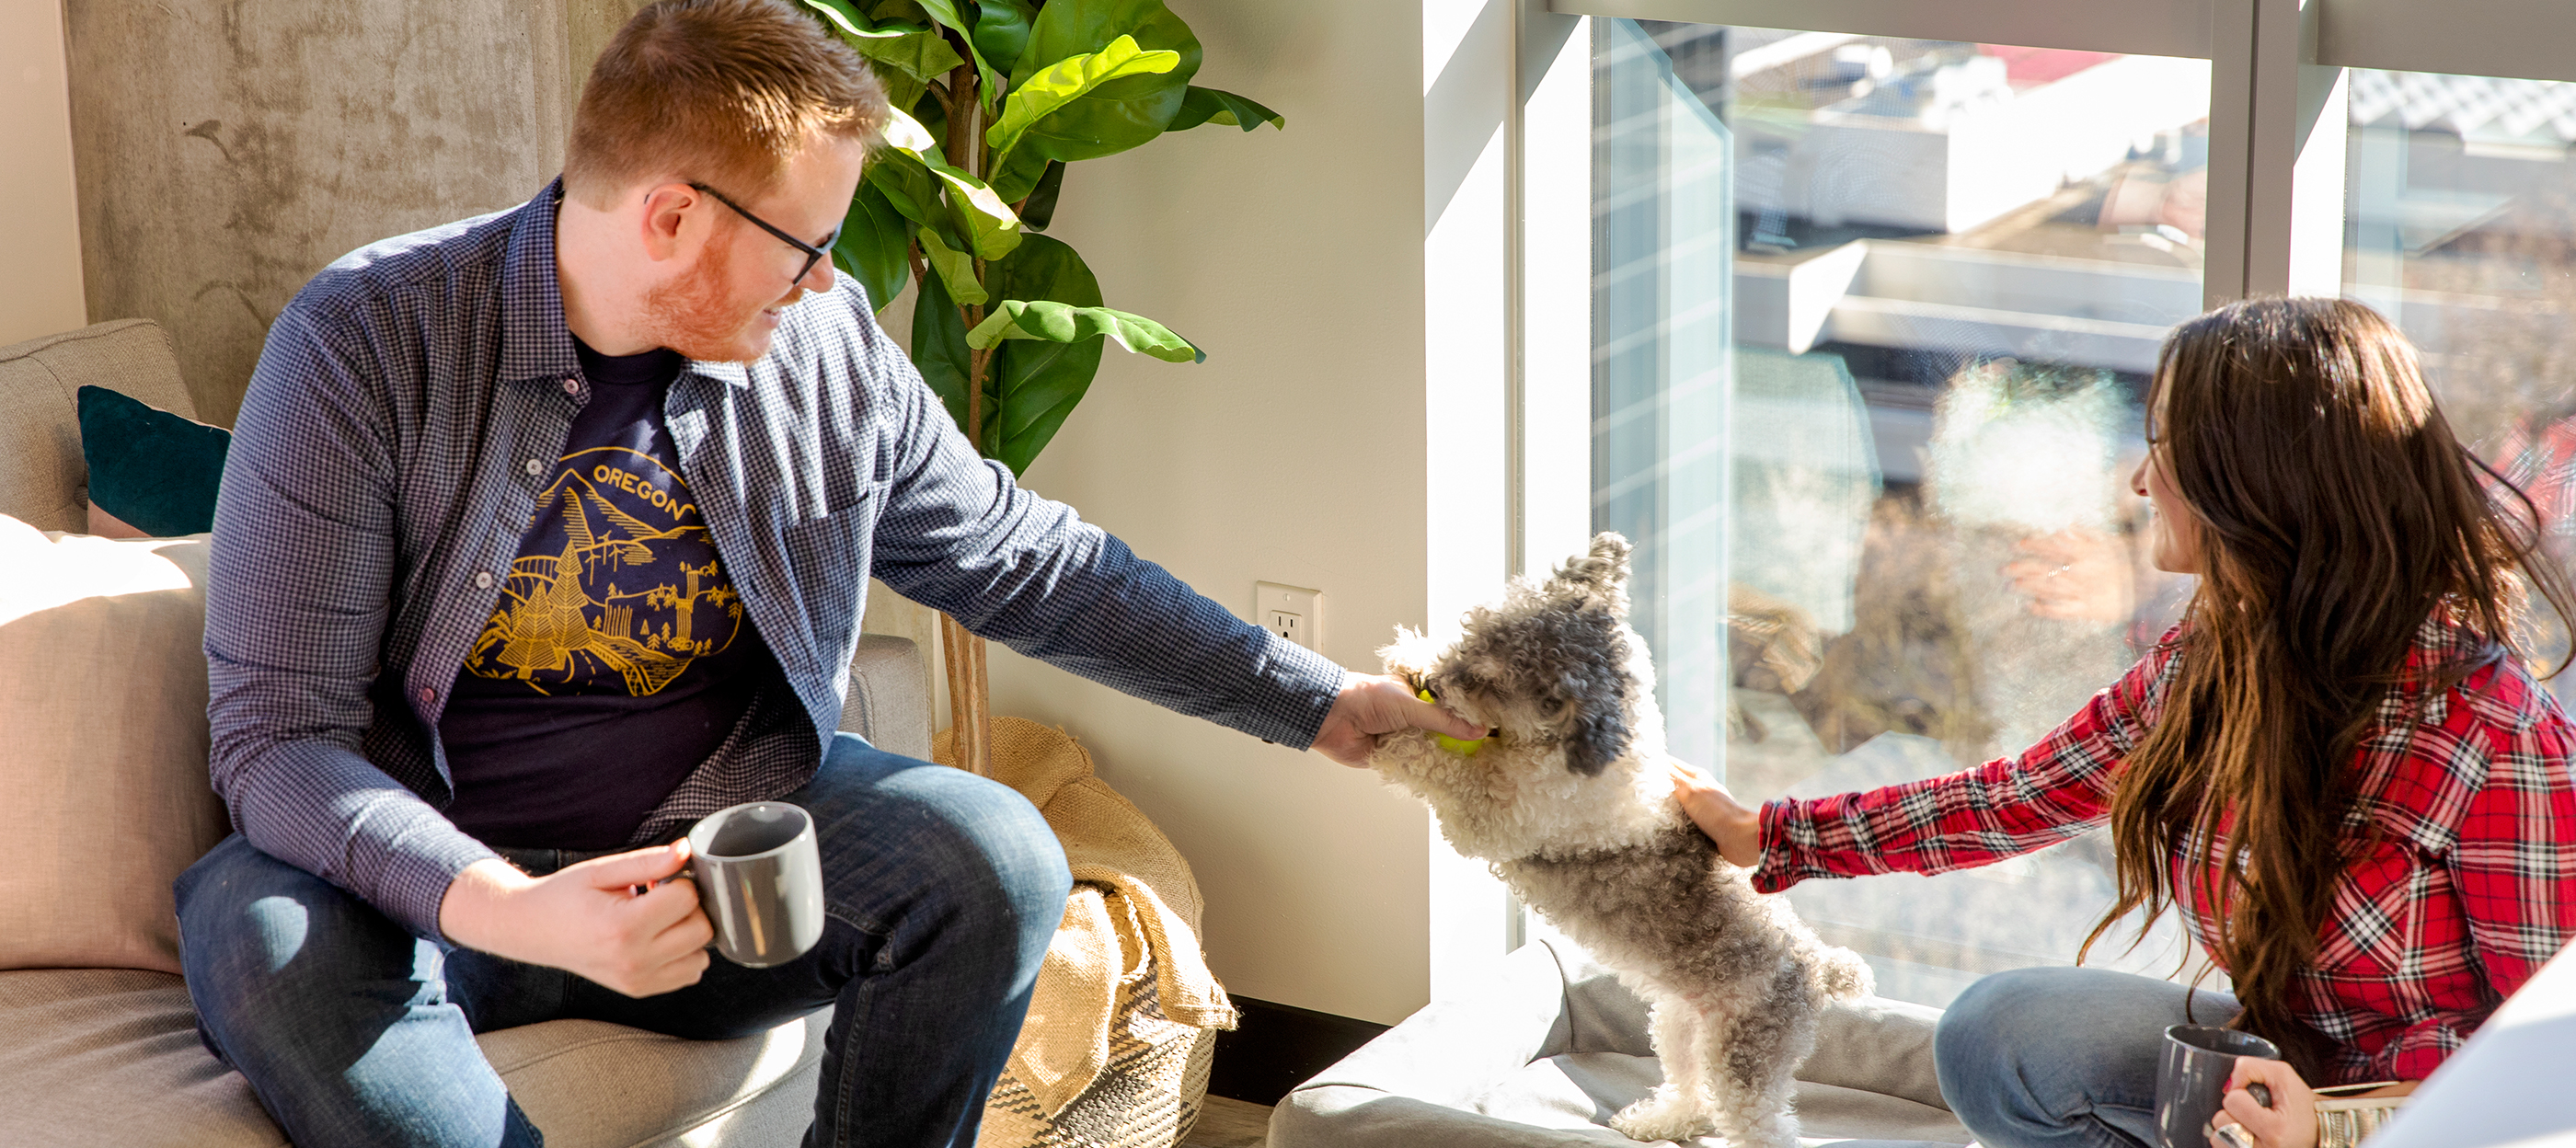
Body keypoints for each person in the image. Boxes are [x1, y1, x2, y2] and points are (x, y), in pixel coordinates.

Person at [174, 3, 1481, 1146]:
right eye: (805, 246)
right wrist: (515, 911)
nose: (823, 283)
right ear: (675, 213)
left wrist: (1313, 700)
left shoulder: (823, 351)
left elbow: (1027, 562)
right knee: (259, 937)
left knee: (994, 857)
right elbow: (281, 740)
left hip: (710, 864)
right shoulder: (368, 339)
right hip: (435, 888)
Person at [1673, 297, 2576, 1148]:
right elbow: (2020, 795)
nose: (2140, 482)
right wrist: (1771, 836)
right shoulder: (2215, 659)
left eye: (2163, 446)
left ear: (2255, 484)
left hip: (2414, 1117)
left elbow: (2550, 1072)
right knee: (2000, 1035)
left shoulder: (2490, 737)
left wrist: (2333, 1128)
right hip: (2281, 1079)